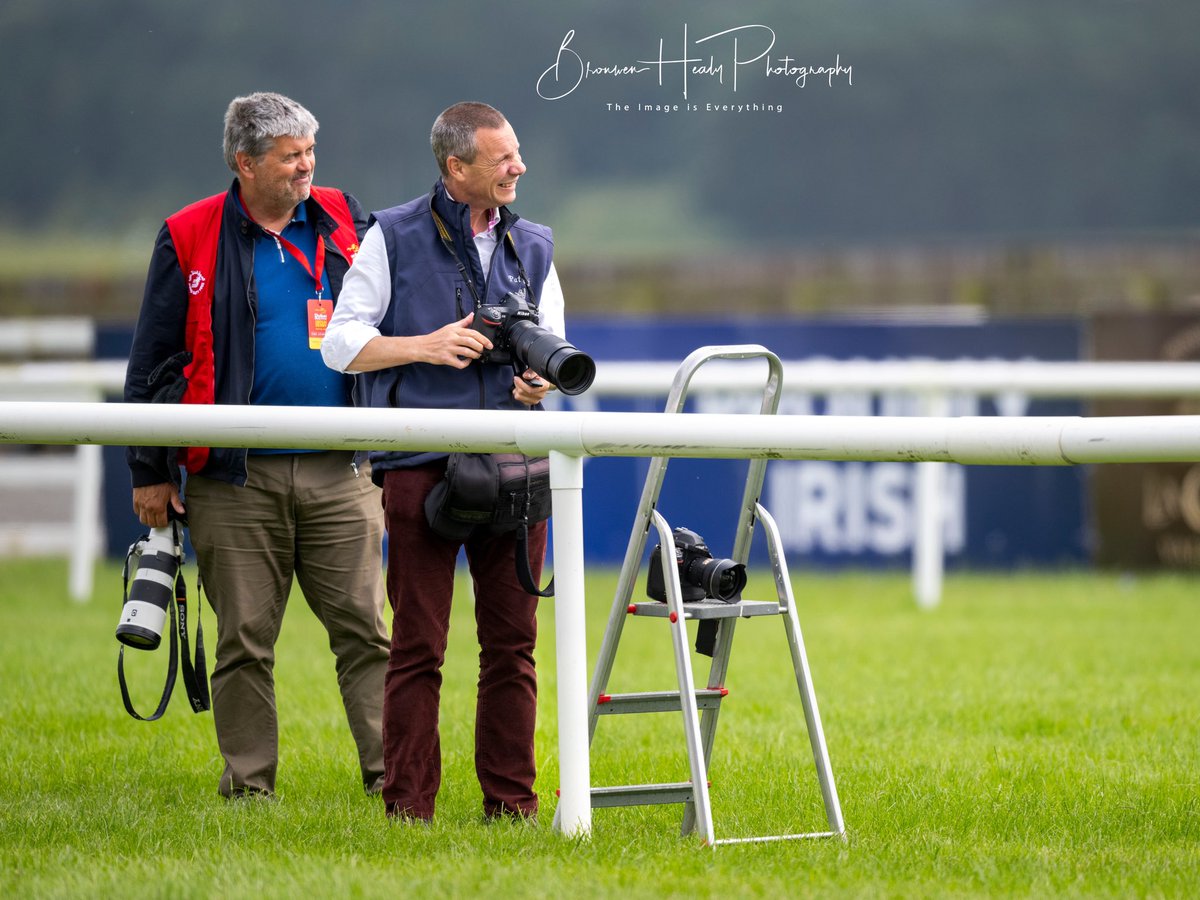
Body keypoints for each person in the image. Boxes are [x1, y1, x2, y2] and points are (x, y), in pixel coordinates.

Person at [124, 92, 390, 800]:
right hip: (233, 481)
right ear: (244, 163)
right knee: (243, 640)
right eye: (290, 156)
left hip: (345, 471)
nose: (307, 167)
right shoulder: (187, 234)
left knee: (367, 633)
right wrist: (149, 469)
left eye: (310, 151)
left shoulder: (348, 219)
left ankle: (396, 781)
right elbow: (151, 359)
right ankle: (249, 788)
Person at [321, 101, 566, 823]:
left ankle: (512, 807)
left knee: (513, 648)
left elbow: (556, 344)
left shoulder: (539, 243)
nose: (519, 167)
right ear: (456, 168)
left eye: (517, 153)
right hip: (420, 465)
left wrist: (538, 381)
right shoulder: (390, 235)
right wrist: (422, 345)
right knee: (418, 646)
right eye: (503, 159)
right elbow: (340, 343)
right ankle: (408, 810)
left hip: (513, 462)